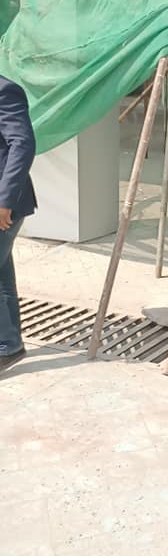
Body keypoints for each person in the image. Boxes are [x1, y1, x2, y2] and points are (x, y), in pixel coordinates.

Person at [0, 75, 37, 372]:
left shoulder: (5, 90)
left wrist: (5, 201)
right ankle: (9, 345)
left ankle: (8, 345)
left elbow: (22, 143)